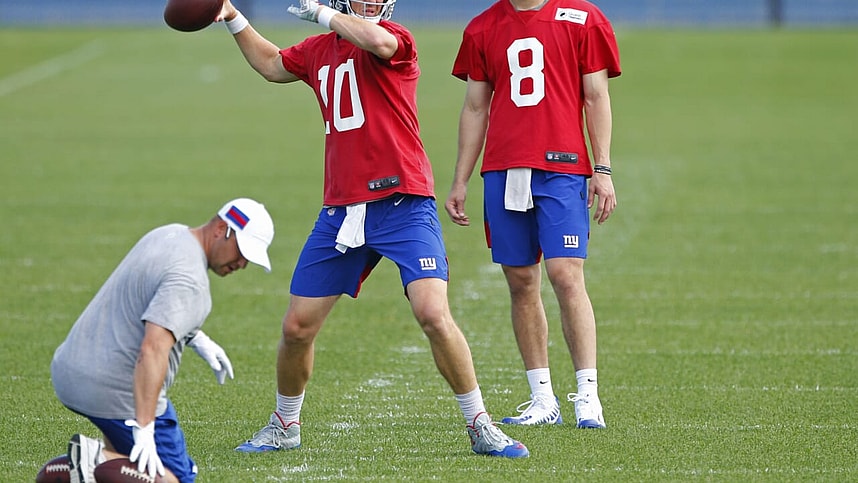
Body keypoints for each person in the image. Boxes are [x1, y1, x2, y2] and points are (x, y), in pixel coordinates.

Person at [217, 0, 528, 458]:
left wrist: (322, 13)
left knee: (432, 313)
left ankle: (479, 423)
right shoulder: (321, 48)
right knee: (297, 327)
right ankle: (285, 424)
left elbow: (377, 40)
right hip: (343, 207)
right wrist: (233, 18)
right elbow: (270, 64)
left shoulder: (395, 38)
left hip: (403, 201)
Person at [445, 0, 621, 428]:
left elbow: (596, 95)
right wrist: (460, 179)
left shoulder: (582, 17)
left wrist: (602, 168)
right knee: (521, 281)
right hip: (504, 168)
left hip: (561, 167)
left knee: (566, 274)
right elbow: (474, 107)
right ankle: (542, 397)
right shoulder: (483, 27)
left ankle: (587, 394)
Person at [51, 198, 275, 483]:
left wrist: (194, 335)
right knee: (175, 478)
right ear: (222, 229)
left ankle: (97, 463)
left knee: (126, 463)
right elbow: (153, 349)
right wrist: (145, 427)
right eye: (243, 252)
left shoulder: (169, 234)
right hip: (112, 387)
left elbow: (146, 297)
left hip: (71, 369)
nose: (242, 264)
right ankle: (91, 461)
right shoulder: (191, 280)